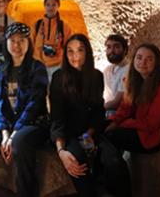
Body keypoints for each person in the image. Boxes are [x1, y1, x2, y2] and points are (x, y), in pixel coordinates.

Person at [0, 22, 49, 197]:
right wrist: (5, 133)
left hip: (33, 122)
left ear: (28, 43)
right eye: (12, 40)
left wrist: (14, 135)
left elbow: (35, 104)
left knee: (19, 145)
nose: (17, 45)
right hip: (7, 124)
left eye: (22, 40)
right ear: (6, 43)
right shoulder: (0, 69)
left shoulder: (37, 68)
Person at [105, 43, 160, 194]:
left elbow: (152, 123)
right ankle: (111, 182)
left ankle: (121, 189)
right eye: (139, 58)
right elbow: (125, 107)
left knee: (109, 139)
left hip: (147, 137)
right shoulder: (134, 80)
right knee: (101, 130)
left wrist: (122, 124)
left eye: (149, 59)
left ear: (157, 63)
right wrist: (115, 121)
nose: (143, 63)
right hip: (134, 127)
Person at [50, 34, 104, 197]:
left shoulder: (96, 76)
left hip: (91, 130)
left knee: (113, 162)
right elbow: (57, 117)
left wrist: (90, 134)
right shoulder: (59, 77)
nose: (75, 56)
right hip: (69, 132)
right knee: (77, 160)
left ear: (87, 52)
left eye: (80, 50)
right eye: (70, 51)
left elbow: (98, 110)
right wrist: (60, 151)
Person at [31, 0, 72, 81]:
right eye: (48, 5)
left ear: (58, 6)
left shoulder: (64, 26)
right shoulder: (37, 25)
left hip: (57, 66)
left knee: (56, 91)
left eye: (54, 5)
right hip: (39, 65)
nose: (51, 8)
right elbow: (30, 44)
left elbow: (69, 48)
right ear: (44, 6)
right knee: (39, 91)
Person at [103, 34, 129, 118]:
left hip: (120, 115)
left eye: (116, 47)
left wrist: (97, 109)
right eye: (109, 47)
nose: (112, 51)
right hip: (105, 111)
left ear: (125, 50)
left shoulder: (129, 70)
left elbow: (117, 103)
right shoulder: (107, 70)